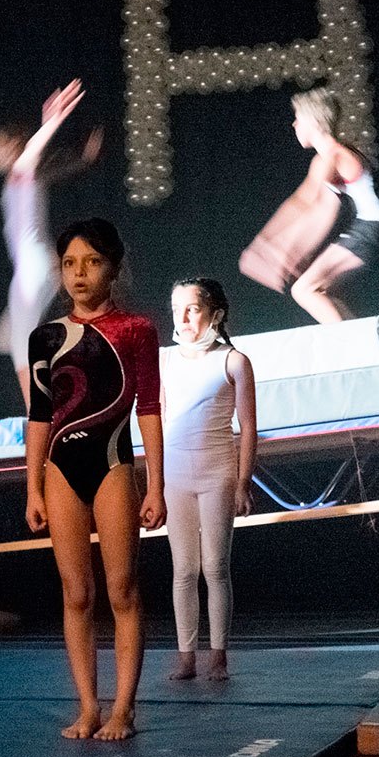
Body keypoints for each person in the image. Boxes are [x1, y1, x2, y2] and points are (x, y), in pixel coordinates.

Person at [25, 219, 164, 741]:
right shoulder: (45, 337)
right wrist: (32, 487)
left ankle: (123, 709)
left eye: (92, 262)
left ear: (114, 268)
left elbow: (148, 407)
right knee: (76, 592)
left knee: (122, 589)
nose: (79, 274)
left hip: (113, 466)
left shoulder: (136, 329)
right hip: (61, 470)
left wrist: (155, 485)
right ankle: (88, 707)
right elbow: (40, 415)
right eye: (69, 264)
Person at [163, 278, 257, 682]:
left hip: (217, 473)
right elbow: (157, 421)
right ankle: (186, 656)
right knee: (183, 569)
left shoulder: (233, 361)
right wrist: (153, 482)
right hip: (175, 475)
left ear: (215, 314)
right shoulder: (165, 361)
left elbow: (248, 427)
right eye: (177, 309)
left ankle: (218, 656)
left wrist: (242, 482)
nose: (183, 318)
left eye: (192, 309)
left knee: (215, 566)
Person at [0, 79, 103, 407]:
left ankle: (39, 415)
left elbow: (31, 153)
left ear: (14, 147)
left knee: (19, 345)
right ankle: (61, 387)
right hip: (39, 267)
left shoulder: (22, 171)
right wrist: (83, 159)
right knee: (5, 339)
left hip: (34, 267)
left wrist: (51, 122)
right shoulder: (24, 181)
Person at [240, 86, 379, 322]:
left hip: (369, 228)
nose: (294, 125)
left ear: (314, 121)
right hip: (365, 228)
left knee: (305, 290)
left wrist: (289, 252)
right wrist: (268, 244)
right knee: (322, 292)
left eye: (298, 119)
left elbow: (324, 208)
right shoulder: (323, 159)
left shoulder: (334, 155)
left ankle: (350, 342)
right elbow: (300, 202)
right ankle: (356, 338)